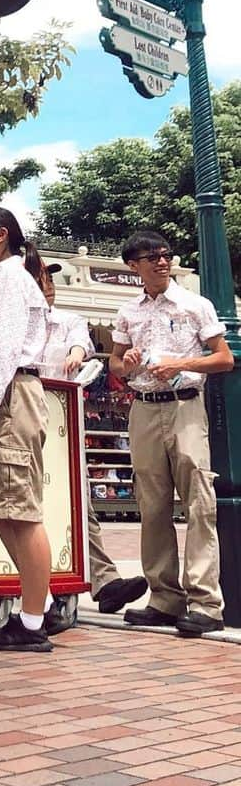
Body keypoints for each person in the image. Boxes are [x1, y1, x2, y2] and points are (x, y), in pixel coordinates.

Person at [109, 230, 233, 637]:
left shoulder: (195, 305)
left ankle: (205, 601)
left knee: (199, 501)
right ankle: (164, 597)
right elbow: (115, 364)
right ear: (134, 267)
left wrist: (181, 363)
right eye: (151, 257)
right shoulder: (129, 313)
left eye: (165, 255)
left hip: (184, 406)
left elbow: (223, 358)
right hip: (144, 409)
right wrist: (126, 362)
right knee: (153, 506)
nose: (162, 262)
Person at [0, 208, 58, 654]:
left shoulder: (7, 278)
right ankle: (42, 600)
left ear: (2, 235)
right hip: (14, 390)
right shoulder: (13, 277)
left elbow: (3, 349)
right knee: (1, 502)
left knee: (18, 507)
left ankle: (34, 619)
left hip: (10, 396)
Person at [35, 262, 147, 616]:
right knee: (31, 510)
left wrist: (76, 354)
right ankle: (51, 585)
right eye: (40, 279)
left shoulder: (68, 321)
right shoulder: (11, 322)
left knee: (78, 503)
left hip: (61, 424)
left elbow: (80, 344)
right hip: (22, 421)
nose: (48, 286)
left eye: (50, 279)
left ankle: (104, 581)